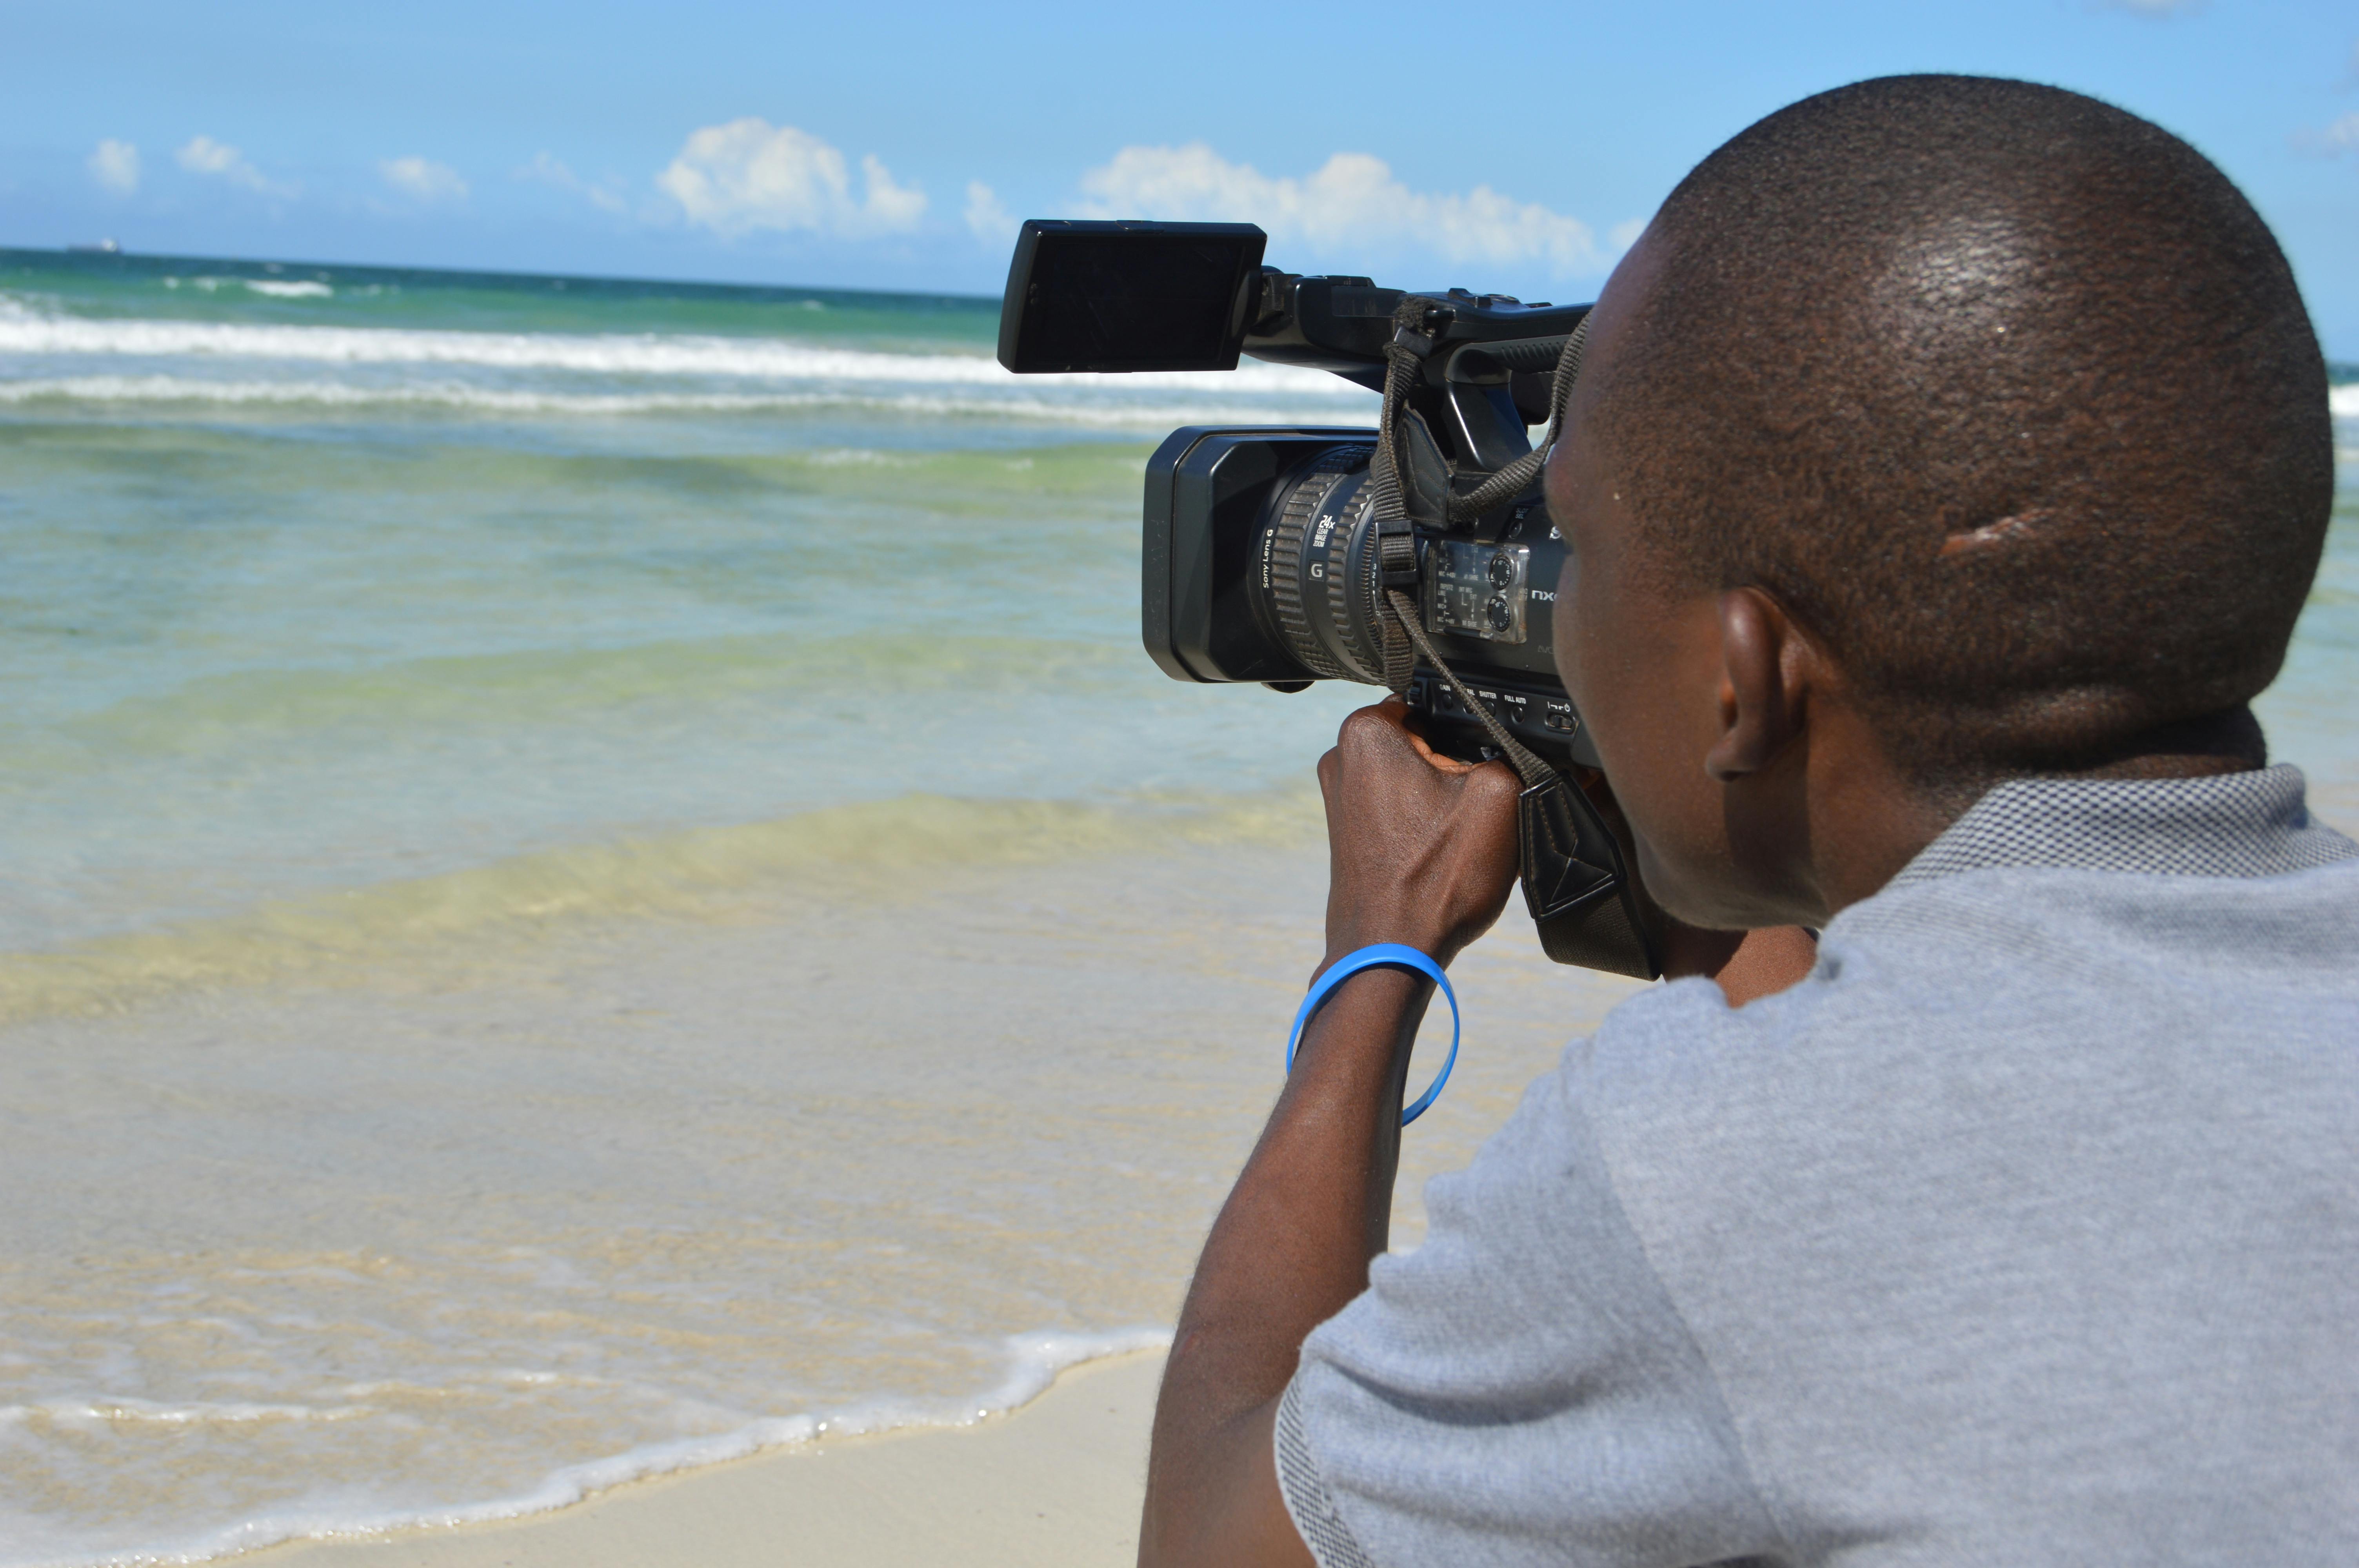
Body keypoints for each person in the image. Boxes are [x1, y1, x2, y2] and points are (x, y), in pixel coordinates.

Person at [1136, 74, 2356, 1568]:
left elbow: (1208, 1535)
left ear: (1746, 682)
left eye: (1571, 540)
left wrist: (1375, 961)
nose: (1550, 598)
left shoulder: (1706, 1165)